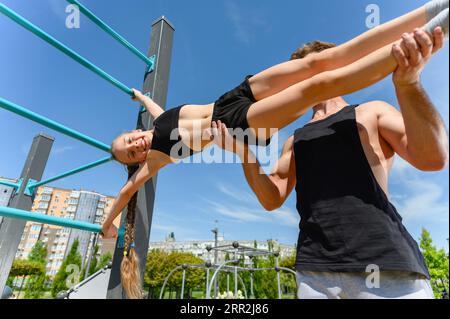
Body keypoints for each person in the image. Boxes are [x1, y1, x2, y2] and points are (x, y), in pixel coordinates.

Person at [102, 1, 449, 298]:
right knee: (317, 84)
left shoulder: (159, 122)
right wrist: (108, 223)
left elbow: (153, 104)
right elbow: (127, 190)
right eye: (131, 153)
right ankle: (417, 45)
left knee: (316, 66)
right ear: (138, 161)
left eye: (129, 139)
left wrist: (140, 95)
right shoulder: (159, 156)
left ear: (136, 130)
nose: (135, 145)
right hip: (241, 125)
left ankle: (433, 11)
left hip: (231, 97)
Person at [210, 29, 448, 298]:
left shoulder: (370, 112)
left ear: (337, 66)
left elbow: (433, 157)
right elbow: (271, 198)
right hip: (315, 273)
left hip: (385, 263)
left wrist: (409, 84)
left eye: (312, 67)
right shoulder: (295, 139)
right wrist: (244, 153)